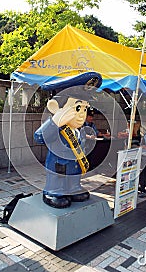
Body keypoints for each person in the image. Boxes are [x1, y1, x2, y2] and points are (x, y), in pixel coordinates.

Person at [34, 72, 102, 208]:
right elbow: (39, 137)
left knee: (74, 177)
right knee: (58, 179)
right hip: (58, 164)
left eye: (84, 109)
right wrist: (55, 121)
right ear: (55, 108)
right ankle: (54, 192)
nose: (82, 114)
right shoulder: (56, 126)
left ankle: (74, 188)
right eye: (77, 108)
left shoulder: (80, 130)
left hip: (74, 164)